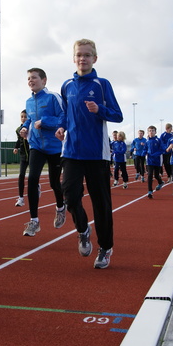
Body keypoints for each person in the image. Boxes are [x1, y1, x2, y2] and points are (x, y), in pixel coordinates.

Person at [55, 38, 123, 269]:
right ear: (74, 58)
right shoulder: (67, 86)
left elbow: (117, 115)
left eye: (87, 55)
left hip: (97, 154)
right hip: (72, 151)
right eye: (79, 55)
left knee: (101, 204)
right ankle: (83, 230)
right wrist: (61, 127)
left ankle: (105, 248)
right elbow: (64, 114)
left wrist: (100, 109)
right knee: (70, 197)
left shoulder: (102, 84)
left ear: (94, 58)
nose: (82, 59)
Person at [20, 68, 66, 237]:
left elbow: (64, 118)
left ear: (44, 80)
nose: (31, 81)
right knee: (32, 179)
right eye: (29, 79)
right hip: (36, 145)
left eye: (34, 78)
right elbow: (30, 119)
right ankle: (34, 221)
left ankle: (60, 207)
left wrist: (44, 121)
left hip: (54, 147)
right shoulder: (28, 102)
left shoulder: (53, 97)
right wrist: (25, 128)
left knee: (54, 182)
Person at [12, 110, 30, 206]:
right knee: (21, 176)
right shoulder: (18, 129)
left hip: (32, 155)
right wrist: (16, 147)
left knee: (32, 177)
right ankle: (21, 198)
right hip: (23, 156)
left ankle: (37, 186)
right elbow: (19, 140)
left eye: (25, 117)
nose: (23, 118)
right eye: (22, 117)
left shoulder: (31, 128)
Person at [145, 125, 164, 199]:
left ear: (155, 132)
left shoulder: (158, 140)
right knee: (150, 175)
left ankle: (160, 182)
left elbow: (162, 149)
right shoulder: (147, 141)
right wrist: (144, 153)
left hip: (157, 160)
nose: (151, 132)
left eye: (152, 131)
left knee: (156, 175)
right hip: (149, 160)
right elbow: (145, 149)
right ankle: (150, 191)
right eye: (150, 131)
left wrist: (155, 154)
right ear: (148, 132)